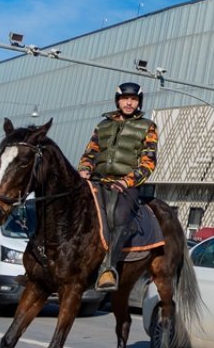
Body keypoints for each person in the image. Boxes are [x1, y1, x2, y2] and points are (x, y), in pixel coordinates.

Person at [77, 82, 158, 291]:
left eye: (134, 99)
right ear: (118, 101)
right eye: (125, 99)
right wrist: (84, 169)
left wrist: (126, 181)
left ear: (139, 103)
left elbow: (148, 162)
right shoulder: (103, 125)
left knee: (120, 217)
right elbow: (90, 153)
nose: (129, 103)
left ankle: (107, 269)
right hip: (97, 180)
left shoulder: (148, 127)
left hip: (125, 185)